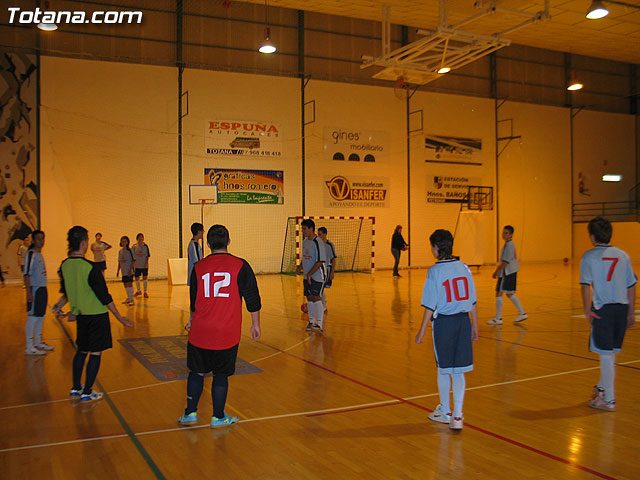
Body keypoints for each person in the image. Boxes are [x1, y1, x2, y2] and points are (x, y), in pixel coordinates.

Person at [178, 224, 261, 427]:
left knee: (196, 372)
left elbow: (193, 301)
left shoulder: (198, 267)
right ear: (229, 242)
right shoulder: (241, 265)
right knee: (221, 374)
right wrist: (255, 324)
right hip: (226, 332)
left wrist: (191, 321)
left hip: (200, 331)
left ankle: (190, 413)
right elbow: (252, 298)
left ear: (207, 244)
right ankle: (218, 417)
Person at [58, 226, 133, 402]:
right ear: (84, 243)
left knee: (81, 351)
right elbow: (104, 296)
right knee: (95, 353)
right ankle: (87, 391)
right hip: (97, 315)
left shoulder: (64, 265)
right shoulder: (90, 267)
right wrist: (119, 317)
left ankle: (76, 388)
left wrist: (74, 310)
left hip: (81, 316)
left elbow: (68, 290)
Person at [415, 229, 478, 430]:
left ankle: (445, 411)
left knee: (443, 369)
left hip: (444, 323)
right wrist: (475, 325)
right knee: (459, 371)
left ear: (436, 247)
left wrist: (422, 330)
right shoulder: (464, 267)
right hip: (463, 321)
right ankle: (457, 416)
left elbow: (430, 304)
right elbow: (473, 300)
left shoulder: (435, 271)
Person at [580, 217, 636, 412]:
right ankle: (602, 387)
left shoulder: (588, 257)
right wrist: (631, 312)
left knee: (605, 355)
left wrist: (587, 310)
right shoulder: (623, 255)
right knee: (610, 352)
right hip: (621, 308)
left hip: (603, 310)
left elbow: (585, 285)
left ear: (592, 236)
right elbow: (631, 285)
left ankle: (609, 399)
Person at [487, 225, 527, 325]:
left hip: (507, 272)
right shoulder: (508, 244)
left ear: (511, 235)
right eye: (503, 232)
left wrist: (497, 271)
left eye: (506, 233)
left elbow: (506, 262)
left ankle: (498, 318)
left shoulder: (509, 245)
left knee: (499, 292)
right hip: (510, 272)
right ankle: (522, 313)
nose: (504, 235)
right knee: (508, 293)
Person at [23, 230, 53, 355]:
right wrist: (29, 293)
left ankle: (38, 342)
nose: (41, 241)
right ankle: (29, 346)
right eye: (38, 239)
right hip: (34, 289)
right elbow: (26, 274)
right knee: (33, 317)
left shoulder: (39, 254)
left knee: (41, 316)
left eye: (42, 238)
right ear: (33, 240)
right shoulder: (31, 254)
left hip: (42, 288)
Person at [295, 219, 326, 332]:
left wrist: (310, 274)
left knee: (316, 297)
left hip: (318, 275)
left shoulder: (318, 242)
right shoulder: (305, 242)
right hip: (307, 275)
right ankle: (311, 321)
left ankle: (320, 324)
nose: (303, 231)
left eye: (304, 229)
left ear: (311, 229)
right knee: (309, 297)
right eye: (302, 229)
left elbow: (320, 261)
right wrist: (300, 267)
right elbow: (305, 257)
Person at [317, 227, 337, 312]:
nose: (319, 236)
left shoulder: (330, 245)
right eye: (318, 234)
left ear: (325, 234)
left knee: (321, 288)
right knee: (319, 287)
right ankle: (321, 304)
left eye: (320, 234)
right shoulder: (317, 244)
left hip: (327, 269)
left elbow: (334, 259)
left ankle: (323, 305)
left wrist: (332, 272)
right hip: (318, 269)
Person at [116, 236, 135, 305]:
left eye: (125, 241)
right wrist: (118, 271)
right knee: (125, 284)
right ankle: (129, 298)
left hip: (129, 270)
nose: (123, 243)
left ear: (127, 242)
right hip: (123, 271)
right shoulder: (120, 251)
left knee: (130, 283)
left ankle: (132, 299)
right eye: (122, 241)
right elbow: (119, 261)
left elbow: (133, 261)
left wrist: (130, 270)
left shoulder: (130, 250)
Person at [132, 233, 151, 298]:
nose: (141, 238)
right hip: (137, 265)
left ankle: (145, 292)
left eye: (142, 237)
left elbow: (147, 256)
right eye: (139, 237)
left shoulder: (145, 246)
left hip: (144, 265)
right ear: (137, 238)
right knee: (137, 278)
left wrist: (146, 263)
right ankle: (138, 291)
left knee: (145, 278)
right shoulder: (134, 246)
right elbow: (132, 256)